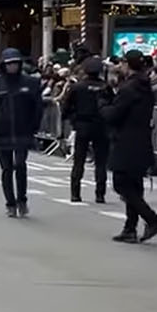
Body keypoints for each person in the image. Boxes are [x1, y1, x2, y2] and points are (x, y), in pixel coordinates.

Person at [105, 49, 157, 242]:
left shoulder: (128, 88)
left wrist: (103, 105)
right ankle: (130, 228)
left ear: (127, 65)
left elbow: (114, 114)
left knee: (121, 183)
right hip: (142, 140)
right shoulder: (145, 86)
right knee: (134, 185)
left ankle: (153, 219)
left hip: (126, 141)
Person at [0, 48, 44, 217]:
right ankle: (10, 202)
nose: (12, 67)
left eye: (15, 63)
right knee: (6, 169)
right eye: (9, 64)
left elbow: (37, 107)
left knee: (20, 165)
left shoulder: (30, 83)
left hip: (23, 131)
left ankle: (22, 199)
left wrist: (33, 126)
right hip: (2, 132)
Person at [61, 57, 112, 203]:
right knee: (100, 161)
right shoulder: (105, 87)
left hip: (82, 125)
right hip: (101, 125)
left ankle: (75, 193)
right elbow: (112, 104)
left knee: (79, 160)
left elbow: (66, 105)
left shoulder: (78, 87)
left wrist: (71, 119)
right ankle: (100, 194)